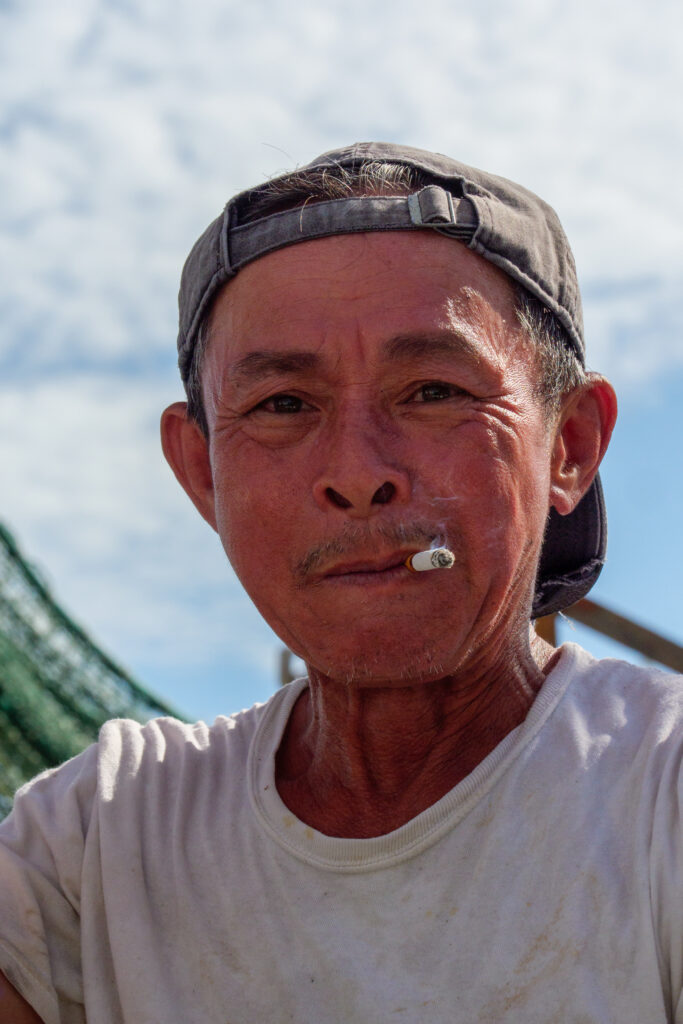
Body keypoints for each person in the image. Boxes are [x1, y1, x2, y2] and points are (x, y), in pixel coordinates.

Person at [0, 141, 679, 1023]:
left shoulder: (658, 795)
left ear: (570, 446)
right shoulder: (96, 843)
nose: (357, 474)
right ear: (201, 474)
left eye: (432, 391)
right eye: (283, 405)